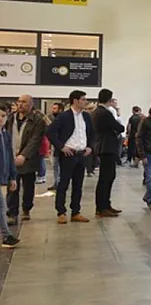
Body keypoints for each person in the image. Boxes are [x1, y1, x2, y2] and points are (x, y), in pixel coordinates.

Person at [46, 90, 96, 224]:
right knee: (64, 184)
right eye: (83, 99)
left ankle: (76, 212)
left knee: (78, 185)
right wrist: (61, 146)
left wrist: (90, 147)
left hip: (82, 154)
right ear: (75, 101)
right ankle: (61, 212)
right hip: (68, 154)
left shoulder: (86, 116)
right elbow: (50, 132)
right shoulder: (64, 116)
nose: (85, 102)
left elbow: (92, 134)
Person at [5, 94, 46, 225]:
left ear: (31, 104)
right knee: (12, 187)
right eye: (19, 101)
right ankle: (12, 213)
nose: (20, 104)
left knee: (28, 187)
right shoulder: (10, 118)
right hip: (10, 159)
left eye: (24, 102)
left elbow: (35, 140)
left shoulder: (38, 121)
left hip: (28, 160)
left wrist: (24, 155)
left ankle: (26, 208)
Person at [91, 89, 124, 218]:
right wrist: (116, 128)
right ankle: (101, 207)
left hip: (103, 146)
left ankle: (106, 204)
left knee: (109, 176)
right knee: (106, 178)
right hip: (106, 147)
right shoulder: (104, 113)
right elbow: (119, 127)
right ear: (109, 100)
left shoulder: (96, 112)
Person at [0, 105, 21, 248]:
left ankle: (7, 236)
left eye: (3, 116)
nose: (1, 119)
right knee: (1, 207)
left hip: (3, 175)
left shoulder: (5, 134)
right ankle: (7, 236)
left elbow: (9, 156)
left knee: (2, 207)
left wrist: (13, 177)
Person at [46, 101, 62, 191]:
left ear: (60, 109)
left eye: (55, 108)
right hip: (54, 146)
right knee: (55, 165)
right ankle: (56, 182)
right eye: (53, 108)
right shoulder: (54, 119)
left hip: (60, 146)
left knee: (59, 165)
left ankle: (60, 182)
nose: (53, 110)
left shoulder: (61, 119)